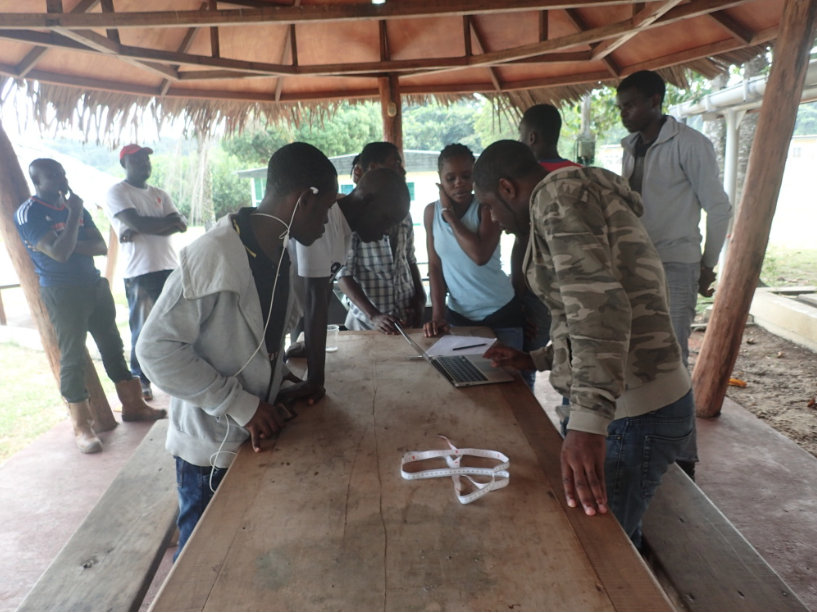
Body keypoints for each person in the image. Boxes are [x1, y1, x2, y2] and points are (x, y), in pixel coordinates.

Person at [474, 140, 693, 547]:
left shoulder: (556, 199)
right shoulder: (571, 192)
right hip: (632, 402)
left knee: (601, 554)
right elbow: (581, 311)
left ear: (507, 188)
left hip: (631, 411)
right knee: (617, 534)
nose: (491, 218)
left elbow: (600, 308)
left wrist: (589, 425)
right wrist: (537, 358)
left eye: (488, 204)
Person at [136, 143, 339, 557]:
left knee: (244, 554)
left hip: (247, 438)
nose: (326, 222)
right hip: (208, 452)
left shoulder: (279, 251)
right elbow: (155, 350)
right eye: (325, 208)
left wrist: (280, 378)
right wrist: (238, 403)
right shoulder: (213, 252)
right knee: (200, 560)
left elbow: (258, 343)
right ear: (303, 199)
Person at [616, 70, 732, 479]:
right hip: (634, 264)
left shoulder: (690, 144)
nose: (624, 113)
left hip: (676, 264)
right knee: (636, 353)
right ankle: (644, 444)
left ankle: (684, 458)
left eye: (630, 104)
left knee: (675, 359)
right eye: (620, 106)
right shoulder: (630, 147)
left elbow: (719, 208)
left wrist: (707, 265)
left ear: (654, 100)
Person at [14, 159, 165, 454]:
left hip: (94, 286)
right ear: (37, 182)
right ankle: (82, 427)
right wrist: (71, 223)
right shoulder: (29, 213)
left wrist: (67, 240)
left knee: (112, 347)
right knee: (72, 358)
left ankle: (133, 405)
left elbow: (100, 246)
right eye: (52, 176)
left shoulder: (76, 207)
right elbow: (58, 254)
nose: (61, 179)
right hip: (62, 291)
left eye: (61, 173)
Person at [282, 167, 412, 404]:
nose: (386, 232)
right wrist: (315, 379)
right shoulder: (325, 218)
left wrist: (313, 348)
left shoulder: (345, 227)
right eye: (387, 220)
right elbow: (315, 299)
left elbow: (326, 286)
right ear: (367, 199)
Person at [106, 144, 187, 400]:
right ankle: (142, 379)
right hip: (141, 272)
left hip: (170, 267)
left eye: (147, 159)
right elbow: (140, 222)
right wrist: (161, 223)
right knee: (143, 330)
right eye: (137, 159)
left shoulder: (159, 193)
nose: (145, 163)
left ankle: (179, 374)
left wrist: (142, 227)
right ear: (124, 164)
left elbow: (182, 224)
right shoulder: (118, 192)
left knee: (179, 324)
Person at [422, 143, 523, 351]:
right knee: (463, 378)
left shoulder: (486, 206)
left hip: (500, 313)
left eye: (466, 176)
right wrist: (438, 316)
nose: (459, 183)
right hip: (458, 317)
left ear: (475, 174)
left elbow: (479, 255)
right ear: (440, 178)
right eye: (450, 179)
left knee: (510, 381)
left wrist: (449, 215)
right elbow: (435, 267)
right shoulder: (431, 212)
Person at [515, 104, 583, 388]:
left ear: (531, 137)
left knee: (527, 357)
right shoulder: (580, 174)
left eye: (521, 136)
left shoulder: (527, 180)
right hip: (578, 285)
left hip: (537, 286)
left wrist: (517, 294)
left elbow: (522, 240)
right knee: (578, 357)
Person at [338, 142, 426, 334]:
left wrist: (420, 298)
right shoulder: (357, 217)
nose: (402, 171)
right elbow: (344, 274)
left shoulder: (403, 213)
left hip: (404, 322)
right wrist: (374, 315)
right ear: (374, 168)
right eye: (396, 164)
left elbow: (409, 259)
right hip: (366, 326)